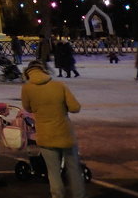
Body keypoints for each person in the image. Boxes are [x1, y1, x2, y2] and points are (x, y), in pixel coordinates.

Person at [21, 60, 86, 198]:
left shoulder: (27, 88)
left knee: (53, 171)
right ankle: (79, 195)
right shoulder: (59, 85)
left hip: (45, 135)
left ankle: (57, 196)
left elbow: (28, 108)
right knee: (74, 170)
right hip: (65, 133)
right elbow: (75, 108)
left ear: (28, 73)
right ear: (44, 70)